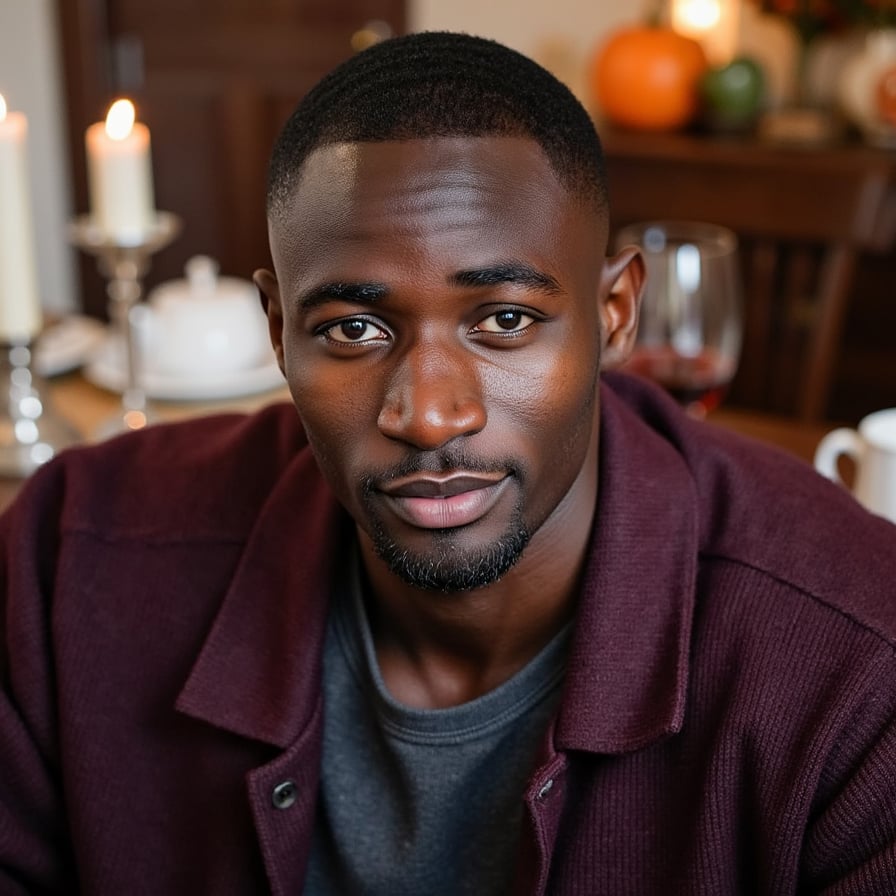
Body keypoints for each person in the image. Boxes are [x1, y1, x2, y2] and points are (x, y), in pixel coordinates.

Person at [2, 30, 896, 896]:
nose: (429, 417)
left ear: (617, 314)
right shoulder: (65, 561)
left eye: (504, 319)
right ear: (278, 333)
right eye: (353, 329)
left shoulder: (855, 670)